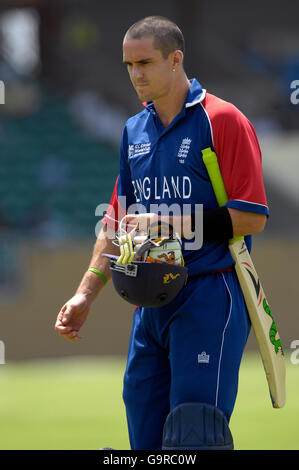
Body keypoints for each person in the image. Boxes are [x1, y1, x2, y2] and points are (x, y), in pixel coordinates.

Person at [55, 16, 269, 450]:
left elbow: (252, 218)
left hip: (211, 297)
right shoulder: (133, 130)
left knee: (195, 435)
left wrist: (172, 223)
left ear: (176, 60)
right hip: (148, 306)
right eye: (128, 65)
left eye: (145, 63)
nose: (135, 75)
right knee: (145, 441)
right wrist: (85, 294)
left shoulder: (222, 120)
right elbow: (115, 222)